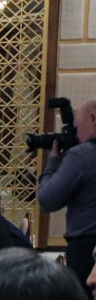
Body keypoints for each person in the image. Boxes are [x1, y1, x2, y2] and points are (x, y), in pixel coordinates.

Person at [38, 99, 96, 284]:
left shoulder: (83, 154)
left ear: (93, 119)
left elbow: (47, 200)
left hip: (86, 249)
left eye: (76, 128)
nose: (75, 135)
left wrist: (53, 164)